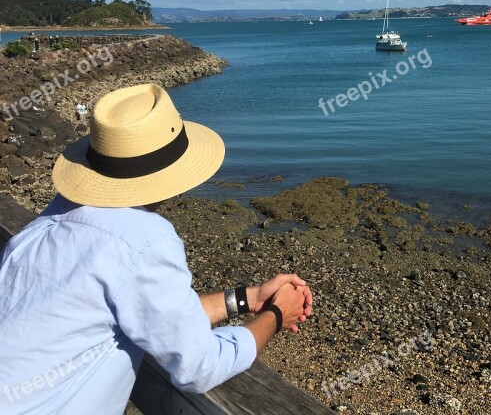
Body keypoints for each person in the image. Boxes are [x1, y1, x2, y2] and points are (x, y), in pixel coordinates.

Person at [0, 83, 313, 414]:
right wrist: (275, 316)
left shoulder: (53, 219)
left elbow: (154, 314)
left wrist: (247, 298)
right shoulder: (145, 238)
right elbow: (199, 367)